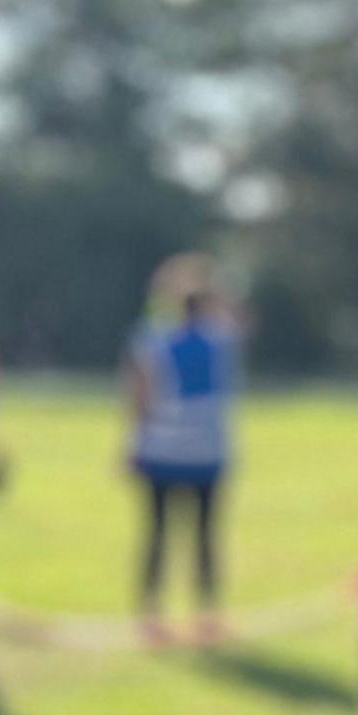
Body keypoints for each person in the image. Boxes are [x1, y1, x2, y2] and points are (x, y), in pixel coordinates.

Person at [124, 252, 237, 647]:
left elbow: (139, 399)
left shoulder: (152, 338)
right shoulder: (221, 339)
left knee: (156, 535)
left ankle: (151, 615)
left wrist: (129, 446)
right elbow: (232, 310)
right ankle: (207, 616)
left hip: (161, 450)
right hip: (208, 453)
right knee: (205, 538)